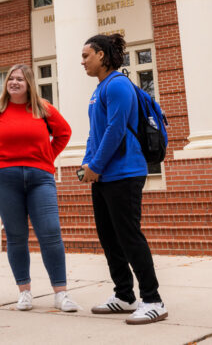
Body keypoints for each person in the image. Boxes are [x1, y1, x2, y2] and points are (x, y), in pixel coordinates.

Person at [0, 64, 78, 312]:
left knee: (50, 233)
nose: (14, 82)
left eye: (19, 79)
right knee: (16, 236)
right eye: (10, 79)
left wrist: (47, 156)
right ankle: (24, 292)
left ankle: (61, 294)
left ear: (29, 83)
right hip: (4, 180)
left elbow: (64, 133)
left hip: (40, 179)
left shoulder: (43, 108)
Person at [79, 33, 167, 325]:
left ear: (102, 55)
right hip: (104, 174)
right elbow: (96, 132)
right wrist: (87, 165)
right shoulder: (99, 89)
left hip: (125, 172)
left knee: (129, 236)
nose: (83, 62)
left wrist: (97, 165)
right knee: (108, 236)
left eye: (86, 56)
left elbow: (115, 130)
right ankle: (125, 296)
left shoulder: (117, 85)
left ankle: (153, 299)